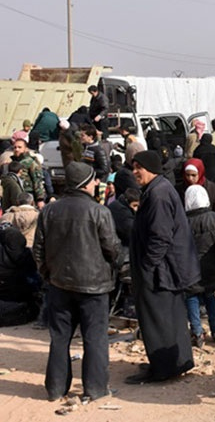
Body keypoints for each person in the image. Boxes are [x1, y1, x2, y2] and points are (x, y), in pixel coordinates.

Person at [33, 162, 121, 402]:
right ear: (84, 184)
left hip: (59, 285)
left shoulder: (49, 211)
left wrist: (48, 275)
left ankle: (55, 389)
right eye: (94, 181)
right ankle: (95, 388)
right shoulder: (99, 212)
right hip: (95, 286)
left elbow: (38, 250)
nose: (96, 184)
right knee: (95, 338)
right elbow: (112, 248)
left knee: (60, 338)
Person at [125, 150, 200, 384]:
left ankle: (163, 369)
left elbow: (160, 237)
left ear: (151, 169)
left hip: (161, 271)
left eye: (139, 168)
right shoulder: (158, 189)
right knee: (170, 318)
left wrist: (146, 266)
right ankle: (176, 362)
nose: (135, 172)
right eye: (134, 167)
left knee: (158, 320)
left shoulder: (158, 195)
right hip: (166, 269)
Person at [183, 185, 215, 348]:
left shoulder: (183, 222)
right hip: (213, 267)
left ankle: (196, 332)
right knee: (210, 296)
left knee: (192, 297)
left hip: (190, 269)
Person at [11, 138, 45, 209]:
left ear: (25, 149)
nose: (17, 149)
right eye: (15, 147)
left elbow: (37, 180)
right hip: (16, 195)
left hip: (28, 195)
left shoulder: (30, 162)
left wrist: (40, 199)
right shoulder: (12, 162)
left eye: (19, 147)